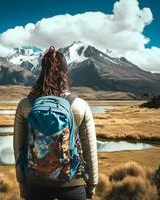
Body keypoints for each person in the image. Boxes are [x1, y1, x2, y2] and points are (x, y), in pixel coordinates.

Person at [13, 46, 98, 200]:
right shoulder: (79, 105)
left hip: (35, 184)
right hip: (73, 182)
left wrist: (22, 183)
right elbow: (89, 149)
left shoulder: (25, 105)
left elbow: (19, 149)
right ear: (65, 73)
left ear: (41, 71)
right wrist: (91, 185)